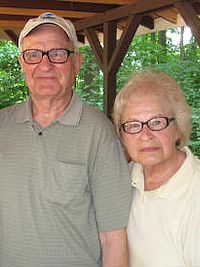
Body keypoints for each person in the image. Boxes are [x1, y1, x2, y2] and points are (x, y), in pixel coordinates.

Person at [0, 12, 132, 267]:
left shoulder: (99, 133)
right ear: (22, 62)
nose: (45, 64)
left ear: (76, 63)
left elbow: (113, 239)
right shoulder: (2, 125)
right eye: (34, 54)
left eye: (58, 53)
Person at [113, 70, 200, 267]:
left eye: (157, 122)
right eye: (134, 125)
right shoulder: (123, 179)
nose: (146, 135)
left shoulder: (195, 193)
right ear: (122, 135)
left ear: (178, 127)